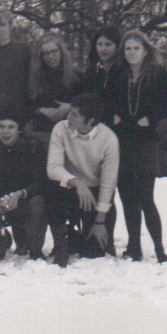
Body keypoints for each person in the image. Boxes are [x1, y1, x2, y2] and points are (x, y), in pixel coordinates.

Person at [111, 29, 167, 263]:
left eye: (136, 48)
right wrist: (115, 116)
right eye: (127, 48)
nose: (131, 53)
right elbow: (108, 101)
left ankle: (159, 248)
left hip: (146, 141)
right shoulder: (118, 74)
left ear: (145, 50)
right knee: (127, 197)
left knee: (145, 197)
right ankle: (134, 246)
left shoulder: (157, 74)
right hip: (123, 140)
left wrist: (152, 117)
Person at [46, 93, 120, 267]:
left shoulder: (109, 139)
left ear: (90, 120)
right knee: (52, 190)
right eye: (70, 112)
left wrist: (100, 221)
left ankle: (82, 238)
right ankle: (62, 244)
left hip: (94, 194)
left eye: (75, 115)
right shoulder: (60, 129)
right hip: (70, 189)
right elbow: (53, 168)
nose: (68, 117)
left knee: (94, 255)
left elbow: (108, 184)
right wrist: (77, 183)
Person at [0, 112, 49, 261]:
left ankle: (34, 249)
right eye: (1, 127)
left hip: (26, 203)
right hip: (2, 208)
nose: (5, 132)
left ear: (19, 130)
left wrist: (21, 194)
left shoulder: (32, 148)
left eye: (11, 127)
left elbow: (41, 183)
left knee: (39, 202)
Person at [0, 5, 32, 151]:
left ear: (10, 25)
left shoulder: (24, 50)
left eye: (2, 25)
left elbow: (31, 85)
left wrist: (28, 118)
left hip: (18, 120)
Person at [26, 32, 80, 144]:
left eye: (54, 51)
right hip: (41, 133)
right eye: (45, 53)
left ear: (61, 51)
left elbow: (87, 102)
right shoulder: (35, 77)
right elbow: (27, 104)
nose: (50, 57)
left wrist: (70, 106)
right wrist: (42, 110)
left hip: (70, 133)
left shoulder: (76, 75)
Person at [79, 25, 124, 101]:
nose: (103, 49)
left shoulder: (124, 71)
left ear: (118, 46)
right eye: (99, 44)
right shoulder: (89, 73)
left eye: (108, 44)